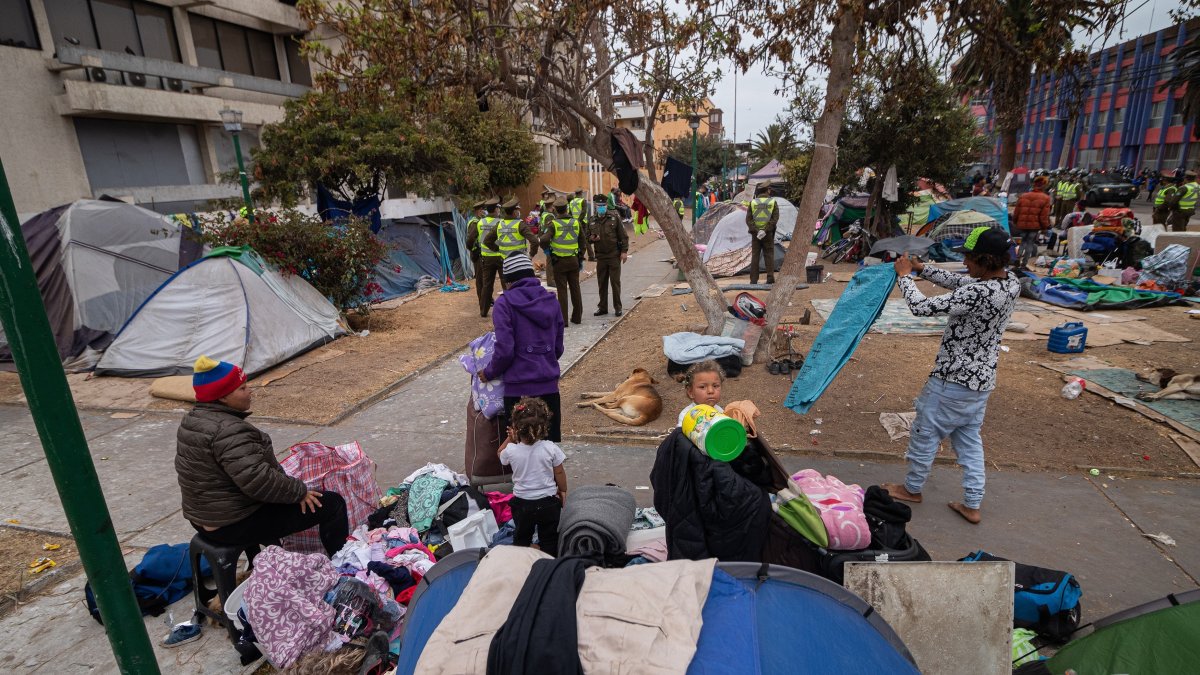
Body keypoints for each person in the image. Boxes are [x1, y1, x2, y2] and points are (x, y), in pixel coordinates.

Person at [881, 227, 1020, 524]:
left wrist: (905, 276)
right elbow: (962, 281)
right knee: (969, 442)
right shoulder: (1009, 284)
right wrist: (923, 269)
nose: (965, 263)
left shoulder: (976, 292)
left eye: (969, 257)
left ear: (985, 259)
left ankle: (911, 489)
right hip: (980, 385)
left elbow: (920, 307)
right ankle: (972, 503)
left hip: (951, 381)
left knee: (924, 433)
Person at [176, 356, 349, 554]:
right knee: (331, 503)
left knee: (279, 496)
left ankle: (264, 559)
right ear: (222, 397)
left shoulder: (193, 420)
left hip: (203, 518)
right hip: (231, 524)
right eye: (242, 388)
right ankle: (343, 564)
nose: (250, 392)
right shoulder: (229, 430)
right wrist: (299, 492)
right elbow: (258, 480)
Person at [480, 252, 565, 441]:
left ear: (508, 280)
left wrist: (489, 372)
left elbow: (505, 350)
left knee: (519, 451)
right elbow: (558, 347)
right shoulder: (551, 300)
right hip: (549, 387)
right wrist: (543, 362)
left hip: (518, 391)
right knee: (549, 451)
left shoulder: (504, 303)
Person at [498, 396, 568, 556]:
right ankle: (549, 564)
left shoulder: (511, 450)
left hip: (522, 504)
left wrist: (510, 437)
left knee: (521, 539)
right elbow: (559, 471)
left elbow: (499, 454)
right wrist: (562, 490)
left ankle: (522, 564)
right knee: (549, 539)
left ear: (516, 428)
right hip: (548, 503)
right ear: (544, 427)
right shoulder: (550, 448)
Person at [540, 196, 583, 325]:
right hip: (573, 261)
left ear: (556, 210)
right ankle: (577, 318)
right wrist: (580, 257)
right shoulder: (576, 222)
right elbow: (583, 242)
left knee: (562, 290)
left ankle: (563, 320)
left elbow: (543, 240)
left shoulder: (554, 224)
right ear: (567, 208)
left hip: (559, 262)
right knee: (575, 288)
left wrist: (548, 252)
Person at [588, 193, 628, 316]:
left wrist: (624, 252)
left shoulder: (614, 218)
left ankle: (618, 307)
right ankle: (603, 307)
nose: (601, 207)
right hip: (600, 257)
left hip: (614, 256)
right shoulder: (592, 220)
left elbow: (623, 236)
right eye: (599, 205)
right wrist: (592, 238)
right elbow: (586, 237)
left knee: (615, 283)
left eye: (603, 205)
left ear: (606, 206)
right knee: (602, 284)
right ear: (595, 206)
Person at [484, 198, 537, 284]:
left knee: (508, 289)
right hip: (520, 263)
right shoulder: (520, 225)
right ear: (515, 212)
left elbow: (487, 241)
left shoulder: (499, 225)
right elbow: (534, 241)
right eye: (517, 210)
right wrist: (530, 255)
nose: (518, 212)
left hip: (506, 263)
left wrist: (499, 250)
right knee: (523, 287)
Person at [466, 197, 502, 316]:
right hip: (496, 255)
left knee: (487, 284)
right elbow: (471, 240)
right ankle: (509, 308)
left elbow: (470, 240)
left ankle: (483, 310)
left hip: (485, 256)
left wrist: (472, 248)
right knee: (504, 282)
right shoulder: (500, 222)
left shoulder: (480, 222)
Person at [1014, 175, 1051, 268]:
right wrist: (1044, 227)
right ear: (1043, 186)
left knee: (1022, 242)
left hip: (1022, 224)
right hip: (1034, 226)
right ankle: (1024, 264)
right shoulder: (1045, 198)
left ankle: (1017, 260)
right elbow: (1044, 216)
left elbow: (1016, 212)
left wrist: (1016, 222)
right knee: (1030, 243)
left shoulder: (1023, 196)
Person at [745, 183, 779, 285]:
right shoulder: (773, 202)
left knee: (755, 256)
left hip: (756, 234)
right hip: (768, 234)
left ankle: (754, 280)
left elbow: (748, 219)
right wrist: (765, 230)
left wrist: (757, 230)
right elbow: (775, 218)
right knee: (769, 255)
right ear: (767, 190)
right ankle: (770, 278)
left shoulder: (753, 202)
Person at [676, 360, 724, 426]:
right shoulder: (687, 415)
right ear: (691, 392)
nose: (711, 391)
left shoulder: (720, 411)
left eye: (715, 386)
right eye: (702, 387)